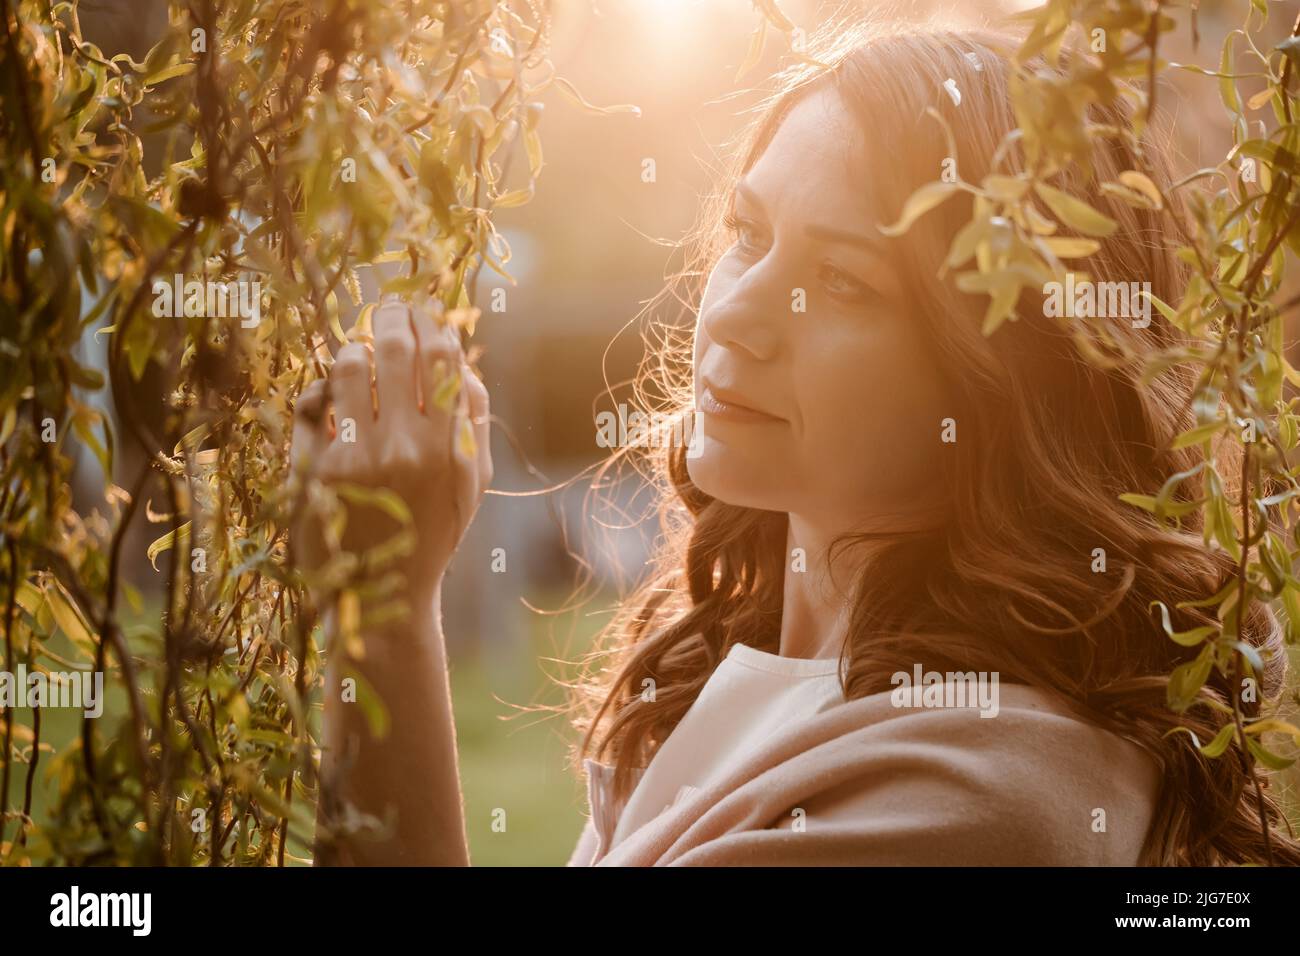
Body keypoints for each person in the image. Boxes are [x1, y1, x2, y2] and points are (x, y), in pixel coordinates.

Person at [289, 21, 1300, 866]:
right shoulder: (742, 670)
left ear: (997, 380)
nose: (735, 316)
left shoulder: (979, 793)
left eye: (846, 281)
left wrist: (376, 600)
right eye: (747, 232)